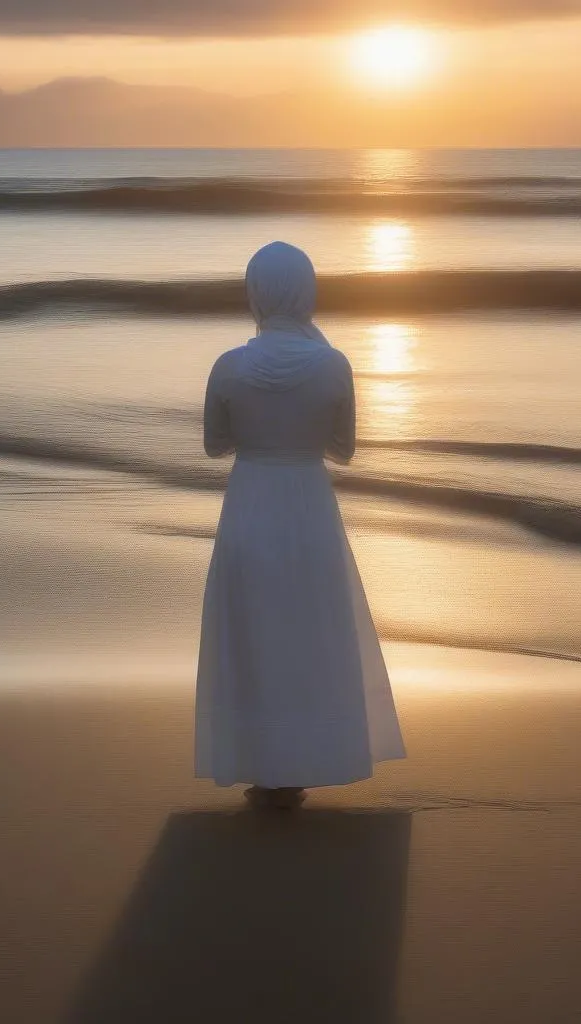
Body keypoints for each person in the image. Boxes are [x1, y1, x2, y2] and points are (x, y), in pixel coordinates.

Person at [194, 241, 406, 809]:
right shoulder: (332, 364)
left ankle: (263, 764)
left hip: (251, 500)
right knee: (309, 629)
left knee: (256, 631)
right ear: (307, 291)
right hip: (308, 503)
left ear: (256, 292)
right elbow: (344, 449)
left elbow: (216, 445)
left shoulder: (229, 366)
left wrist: (261, 431)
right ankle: (304, 760)